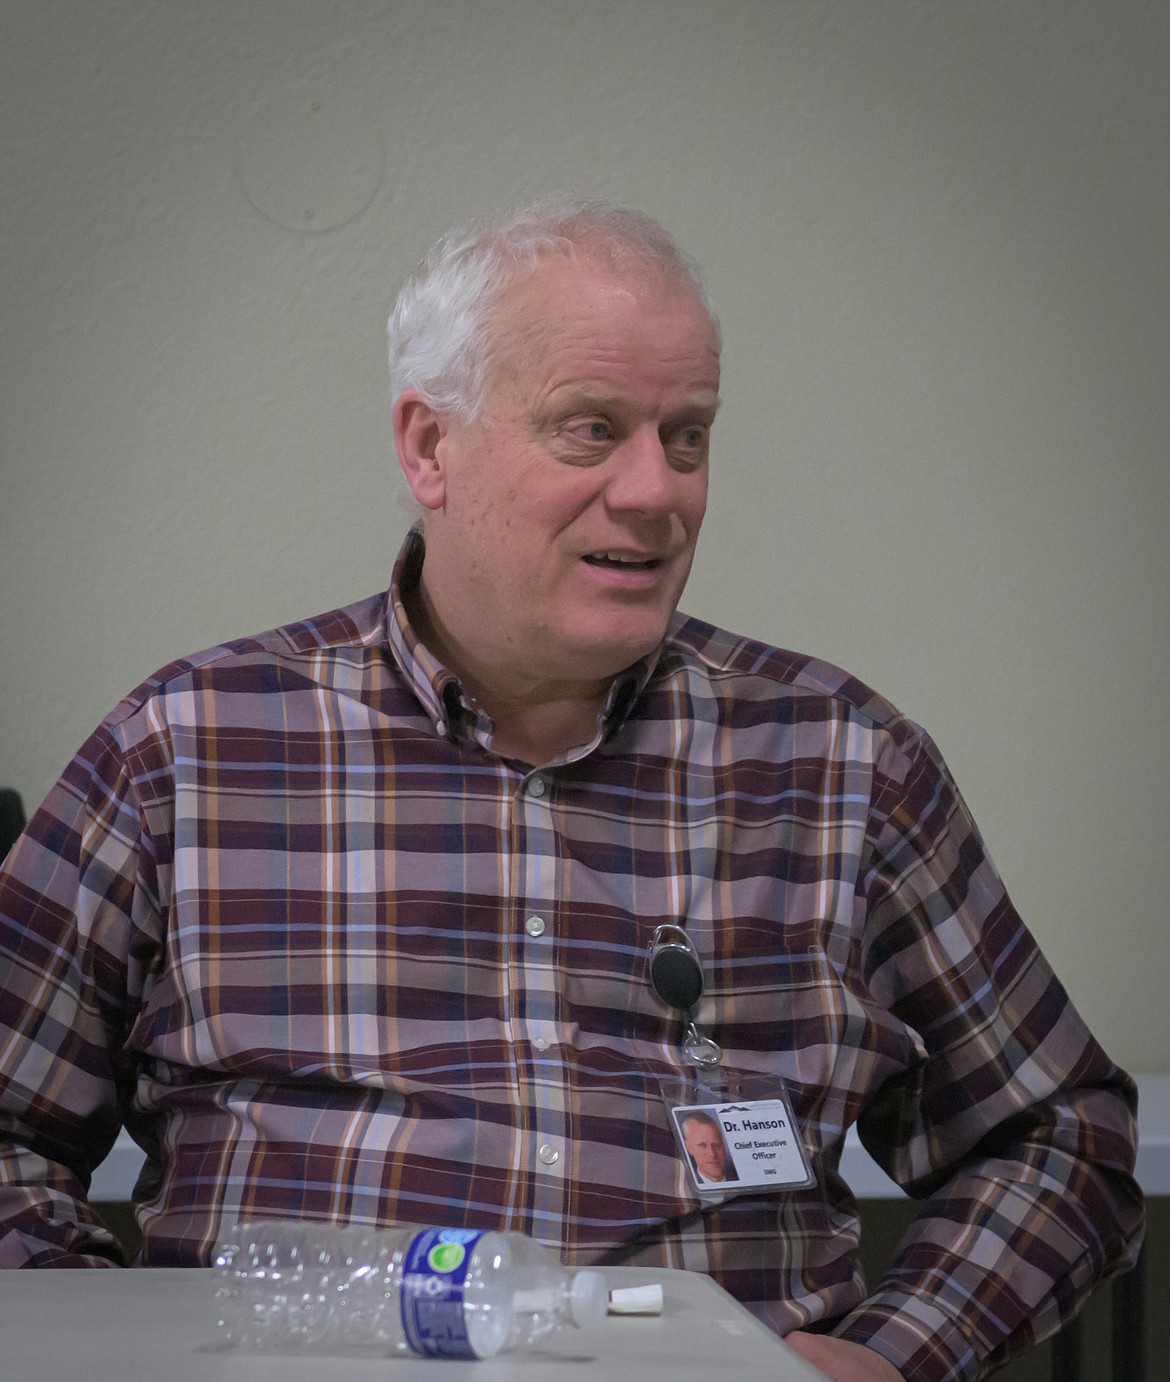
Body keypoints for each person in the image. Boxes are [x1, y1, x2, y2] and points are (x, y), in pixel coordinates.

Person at [0, 198, 1143, 1382]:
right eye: (592, 430)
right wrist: (98, 1345)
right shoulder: (188, 751)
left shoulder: (842, 766)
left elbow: (1062, 1137)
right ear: (429, 447)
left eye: (686, 435)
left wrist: (890, 1358)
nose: (657, 492)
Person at [680, 1111, 737, 1184]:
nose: (712, 1154)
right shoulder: (684, 1185)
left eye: (716, 1145)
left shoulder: (741, 1176)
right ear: (689, 1147)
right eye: (702, 1145)